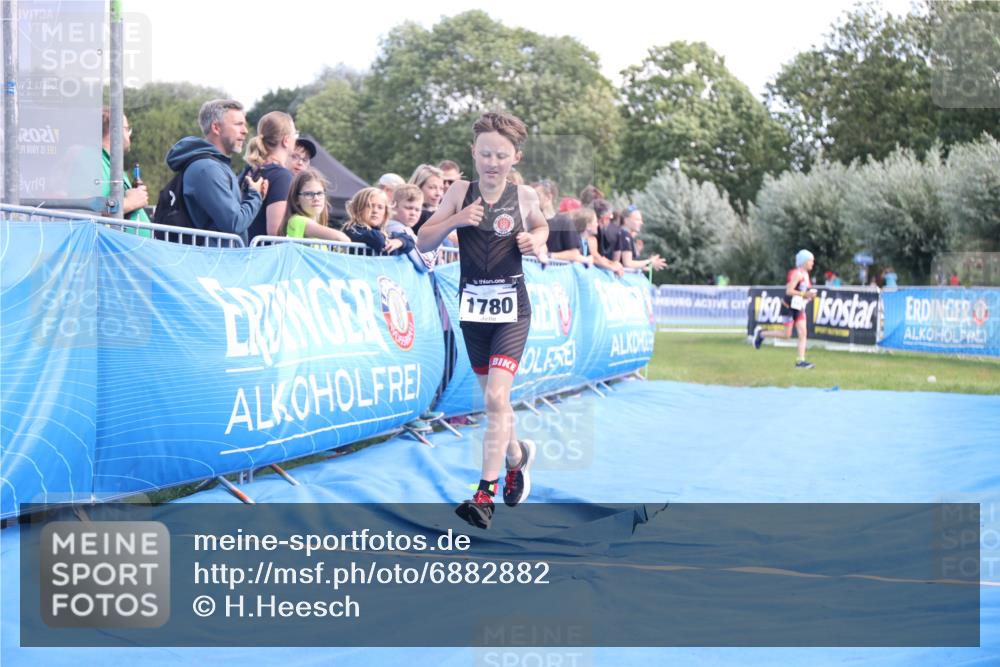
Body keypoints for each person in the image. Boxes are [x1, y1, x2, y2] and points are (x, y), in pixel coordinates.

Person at [417, 111, 549, 529]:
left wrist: (534, 240)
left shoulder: (524, 196)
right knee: (497, 402)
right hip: (473, 310)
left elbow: (543, 228)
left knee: (495, 397)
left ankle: (484, 496)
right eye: (486, 154)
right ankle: (516, 457)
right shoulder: (459, 191)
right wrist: (456, 220)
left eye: (502, 155)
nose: (493, 162)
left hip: (512, 311)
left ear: (516, 158)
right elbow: (423, 240)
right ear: (473, 153)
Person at [164, 99, 265, 244]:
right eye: (238, 124)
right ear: (216, 128)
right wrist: (255, 196)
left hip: (214, 256)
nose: (245, 131)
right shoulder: (207, 169)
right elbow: (234, 224)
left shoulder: (214, 165)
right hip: (211, 257)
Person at [753, 249, 818, 369]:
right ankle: (761, 333)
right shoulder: (798, 274)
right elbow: (789, 291)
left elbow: (802, 292)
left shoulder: (806, 275)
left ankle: (800, 361)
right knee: (786, 335)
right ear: (804, 261)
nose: (813, 263)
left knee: (803, 333)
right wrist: (805, 294)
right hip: (788, 307)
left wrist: (809, 296)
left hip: (798, 307)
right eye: (811, 260)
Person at [242, 111, 297, 243]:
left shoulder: (249, 171)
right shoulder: (282, 177)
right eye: (295, 134)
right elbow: (275, 232)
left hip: (244, 250)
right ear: (286, 140)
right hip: (264, 254)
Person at [100, 107, 150, 233]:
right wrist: (130, 202)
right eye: (127, 129)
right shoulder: (92, 159)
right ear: (116, 131)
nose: (129, 134)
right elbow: (91, 208)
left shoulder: (111, 163)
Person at [279, 168, 350, 244]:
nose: (316, 198)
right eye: (308, 194)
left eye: (319, 193)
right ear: (296, 199)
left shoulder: (317, 224)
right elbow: (341, 238)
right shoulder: (297, 220)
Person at [343, 187, 413, 256]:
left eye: (380, 207)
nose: (375, 211)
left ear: (385, 213)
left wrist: (399, 241)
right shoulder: (352, 229)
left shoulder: (381, 231)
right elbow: (378, 240)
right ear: (358, 208)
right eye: (370, 206)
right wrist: (391, 241)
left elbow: (410, 240)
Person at [386, 184, 436, 272]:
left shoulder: (404, 228)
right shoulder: (399, 229)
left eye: (417, 209)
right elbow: (426, 265)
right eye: (408, 208)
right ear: (394, 206)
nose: (413, 213)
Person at [618, 204, 667, 271]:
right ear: (626, 220)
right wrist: (649, 261)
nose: (641, 223)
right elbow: (627, 263)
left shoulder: (623, 234)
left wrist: (644, 266)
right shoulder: (625, 235)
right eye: (638, 220)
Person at [409, 164, 446, 234]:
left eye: (441, 188)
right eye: (432, 187)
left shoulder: (442, 212)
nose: (438, 193)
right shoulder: (418, 216)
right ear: (418, 187)